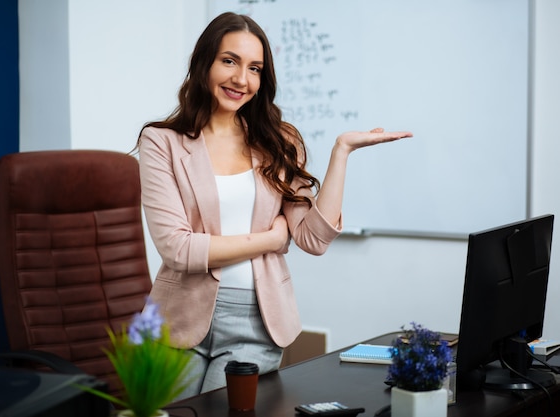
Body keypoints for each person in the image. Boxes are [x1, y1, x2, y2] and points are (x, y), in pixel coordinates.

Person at [136, 11, 412, 398]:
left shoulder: (277, 141)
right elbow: (179, 249)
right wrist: (269, 239)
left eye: (255, 68)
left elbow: (313, 239)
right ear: (204, 63)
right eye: (229, 61)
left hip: (256, 321)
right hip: (179, 320)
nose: (241, 79)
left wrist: (341, 152)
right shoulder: (161, 142)